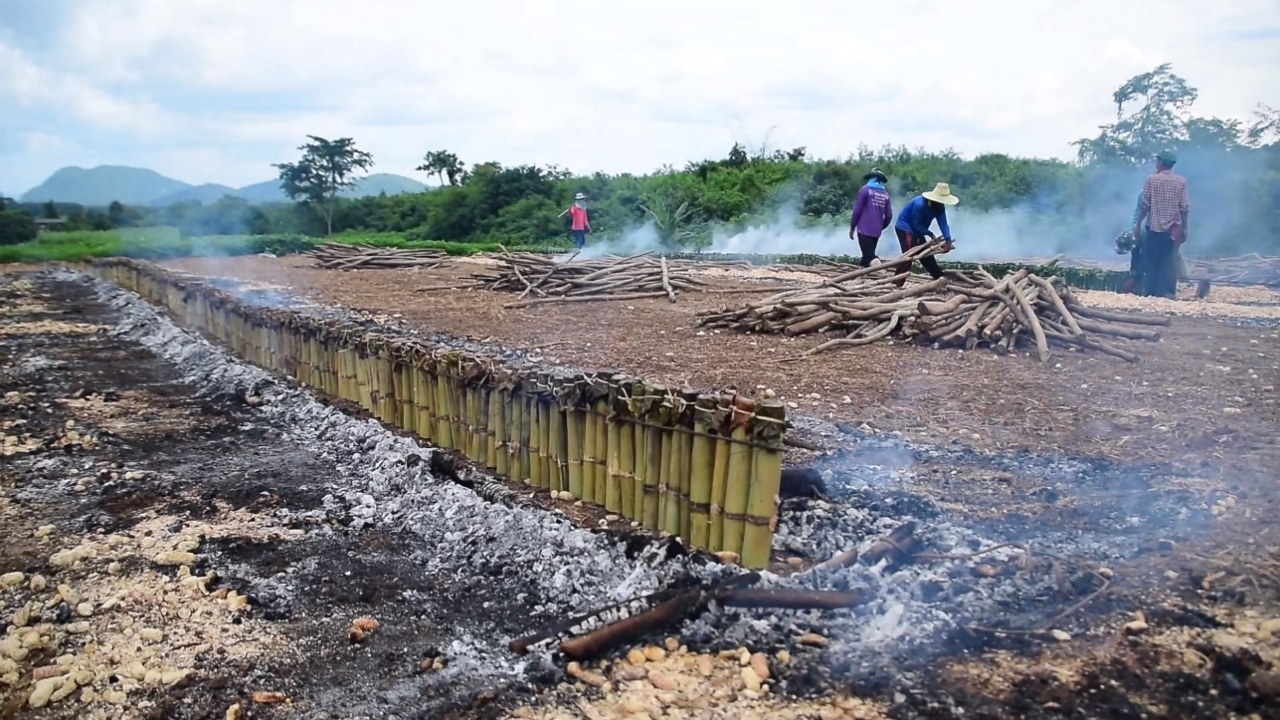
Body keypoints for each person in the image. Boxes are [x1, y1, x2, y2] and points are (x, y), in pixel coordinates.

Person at [1134, 151, 1189, 299]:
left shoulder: (1152, 180)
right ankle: (1168, 291)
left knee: (1153, 259)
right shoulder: (1181, 181)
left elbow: (1145, 205)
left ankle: (1151, 291)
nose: (1156, 164)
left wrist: (1138, 224)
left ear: (1161, 164)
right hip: (1173, 229)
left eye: (1157, 162)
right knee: (1170, 259)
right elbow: (1184, 207)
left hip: (1154, 226)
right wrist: (1185, 227)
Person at [892, 182, 958, 283]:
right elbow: (916, 225)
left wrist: (948, 240)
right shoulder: (920, 204)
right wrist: (930, 234)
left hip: (918, 231)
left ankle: (940, 278)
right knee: (908, 257)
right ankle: (896, 283)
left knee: (927, 256)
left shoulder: (939, 207)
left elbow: (943, 223)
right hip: (906, 228)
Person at [848, 168, 894, 267]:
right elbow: (889, 215)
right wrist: (881, 226)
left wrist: (852, 227)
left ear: (871, 178)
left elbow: (857, 210)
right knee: (866, 255)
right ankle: (861, 275)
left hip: (864, 230)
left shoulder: (865, 190)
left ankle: (880, 270)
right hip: (876, 232)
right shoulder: (885, 195)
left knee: (870, 256)